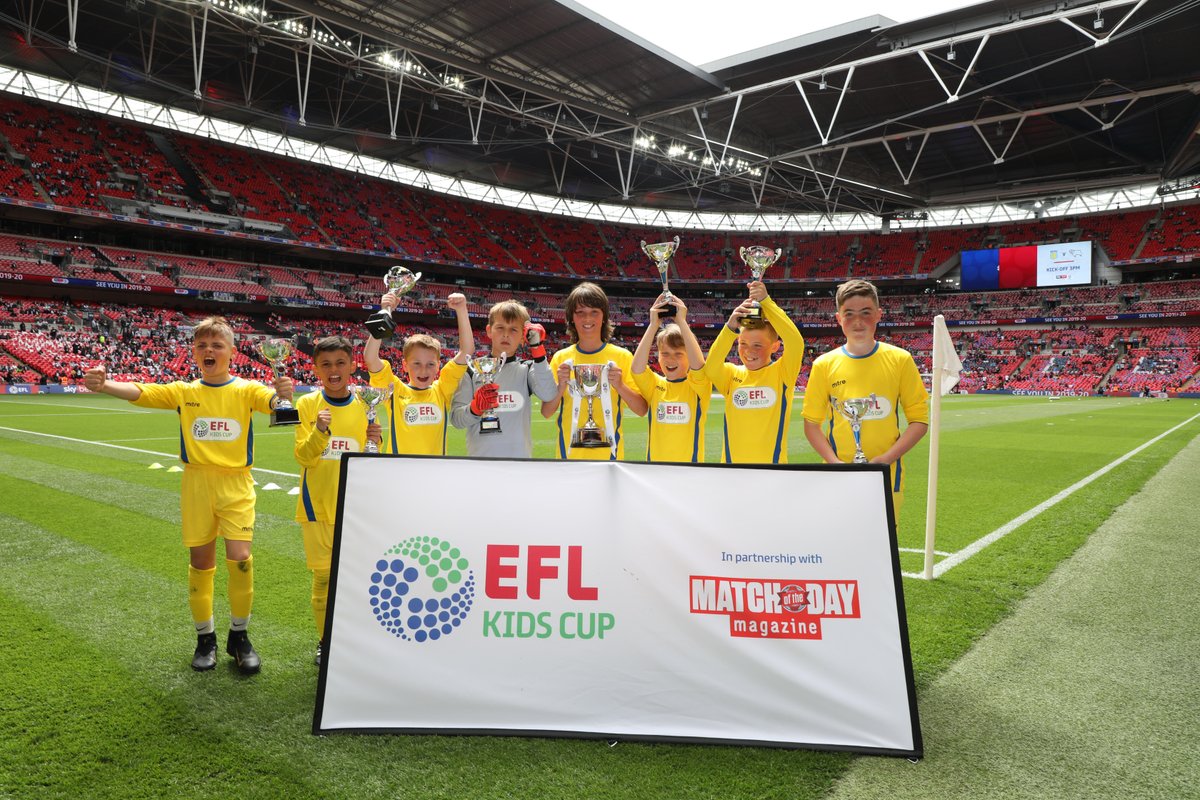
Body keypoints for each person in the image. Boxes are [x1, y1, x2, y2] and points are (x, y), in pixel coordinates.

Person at [83, 316, 294, 674]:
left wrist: (283, 397)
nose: (209, 350)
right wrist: (105, 385)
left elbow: (272, 402)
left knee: (241, 558)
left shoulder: (246, 389)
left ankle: (239, 636)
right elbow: (142, 392)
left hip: (236, 484)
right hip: (197, 484)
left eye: (217, 345)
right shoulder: (185, 391)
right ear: (195, 352)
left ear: (231, 352)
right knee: (201, 563)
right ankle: (205, 639)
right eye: (202, 345)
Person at [801, 279, 929, 515]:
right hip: (837, 476)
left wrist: (886, 459)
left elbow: (919, 421)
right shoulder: (823, 365)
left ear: (879, 314)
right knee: (838, 534)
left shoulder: (900, 360)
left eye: (866, 312)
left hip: (886, 473)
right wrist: (834, 463)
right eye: (849, 314)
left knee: (883, 536)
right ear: (838, 318)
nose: (858, 321)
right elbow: (811, 424)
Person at [293, 336, 382, 666]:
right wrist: (319, 431)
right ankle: (325, 641)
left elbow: (372, 461)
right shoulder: (307, 404)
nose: (334, 370)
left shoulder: (365, 403)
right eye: (326, 364)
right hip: (317, 508)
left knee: (356, 579)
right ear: (316, 368)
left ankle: (355, 638)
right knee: (323, 579)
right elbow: (303, 457)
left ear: (352, 366)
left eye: (340, 363)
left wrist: (377, 442)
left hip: (355, 509)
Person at [542, 281, 647, 460]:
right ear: (571, 318)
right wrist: (560, 388)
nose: (587, 319)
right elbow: (546, 412)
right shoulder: (561, 358)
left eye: (594, 312)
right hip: (568, 459)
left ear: (604, 316)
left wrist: (620, 386)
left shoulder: (622, 357)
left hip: (610, 459)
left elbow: (641, 410)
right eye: (580, 313)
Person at [703, 281, 805, 463]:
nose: (749, 351)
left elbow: (795, 342)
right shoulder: (731, 375)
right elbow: (711, 367)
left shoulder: (783, 372)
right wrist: (729, 328)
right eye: (743, 343)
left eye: (758, 345)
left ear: (775, 347)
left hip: (772, 470)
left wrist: (766, 302)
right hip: (732, 470)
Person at [362, 292, 473, 455]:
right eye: (416, 364)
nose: (423, 370)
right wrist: (385, 311)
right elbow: (371, 358)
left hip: (434, 470)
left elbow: (467, 351)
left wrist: (462, 309)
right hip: (401, 469)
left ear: (438, 366)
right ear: (405, 365)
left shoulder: (442, 390)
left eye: (430, 364)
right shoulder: (395, 390)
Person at [450, 300, 557, 458]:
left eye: (513, 330)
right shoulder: (472, 370)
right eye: (500, 328)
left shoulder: (527, 369)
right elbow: (456, 419)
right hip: (480, 462)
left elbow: (548, 394)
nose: (506, 334)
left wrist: (537, 348)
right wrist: (475, 408)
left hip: (519, 463)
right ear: (489, 331)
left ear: (523, 337)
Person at [629, 293, 711, 463]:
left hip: (689, 470)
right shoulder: (655, 385)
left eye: (678, 354)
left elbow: (699, 366)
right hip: (656, 470)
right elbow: (636, 369)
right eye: (665, 353)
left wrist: (681, 321)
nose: (670, 359)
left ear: (689, 356)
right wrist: (653, 325)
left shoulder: (698, 386)